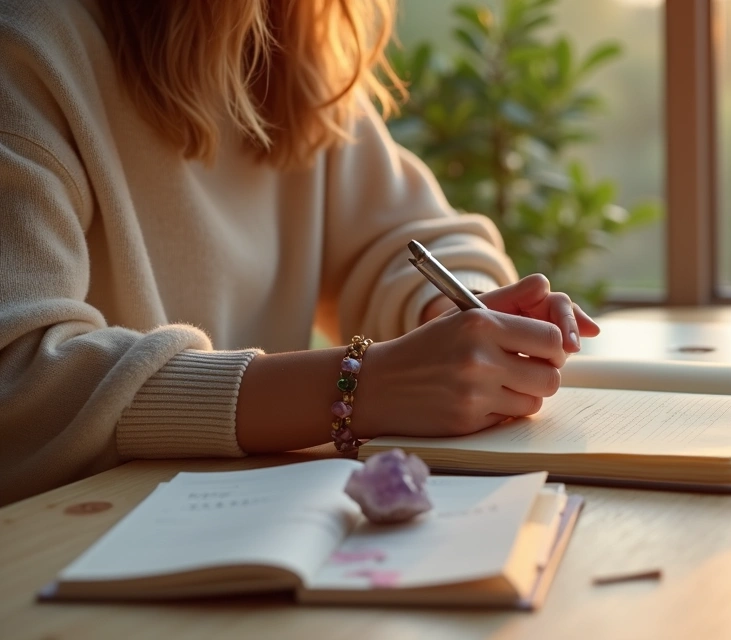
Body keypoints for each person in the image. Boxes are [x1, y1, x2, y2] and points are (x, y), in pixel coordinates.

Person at [0, 0, 599, 506]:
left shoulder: (291, 52)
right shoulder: (27, 50)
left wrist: (453, 315)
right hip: (62, 545)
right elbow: (19, 383)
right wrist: (358, 388)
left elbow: (406, 237)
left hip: (247, 514)